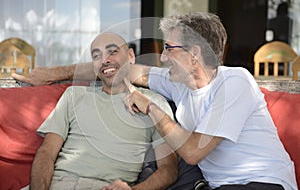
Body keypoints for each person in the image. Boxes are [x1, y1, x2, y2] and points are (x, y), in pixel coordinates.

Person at [12, 12, 298, 190]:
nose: (162, 57)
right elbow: (119, 69)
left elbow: (192, 152)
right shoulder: (178, 83)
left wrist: (150, 107)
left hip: (262, 183)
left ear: (194, 54)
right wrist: (54, 73)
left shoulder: (234, 82)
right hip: (217, 185)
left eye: (169, 49)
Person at [27, 32, 178, 190]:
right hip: (57, 183)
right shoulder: (74, 95)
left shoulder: (153, 104)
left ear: (131, 56)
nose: (105, 60)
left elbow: (169, 169)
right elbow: (46, 153)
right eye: (96, 56)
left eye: (112, 51)